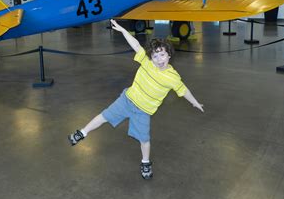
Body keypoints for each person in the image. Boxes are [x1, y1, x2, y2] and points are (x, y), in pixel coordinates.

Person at [68, 19, 204, 180]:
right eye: (155, 56)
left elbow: (183, 90)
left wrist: (194, 102)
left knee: (144, 139)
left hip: (143, 111)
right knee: (104, 116)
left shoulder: (172, 77)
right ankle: (82, 132)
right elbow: (136, 45)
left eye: (162, 55)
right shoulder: (146, 63)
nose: (159, 59)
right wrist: (123, 30)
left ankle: (145, 162)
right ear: (151, 57)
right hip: (127, 100)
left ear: (169, 55)